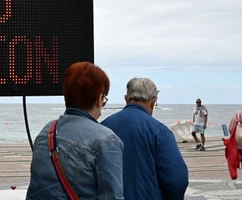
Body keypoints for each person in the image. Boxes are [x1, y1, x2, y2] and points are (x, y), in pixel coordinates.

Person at [27, 62, 124, 200]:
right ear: (99, 99)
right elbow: (112, 197)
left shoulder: (47, 131)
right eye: (104, 99)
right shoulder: (106, 140)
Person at [102, 77, 188, 200]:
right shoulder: (160, 131)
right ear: (153, 102)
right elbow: (177, 179)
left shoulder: (104, 126)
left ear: (126, 99)